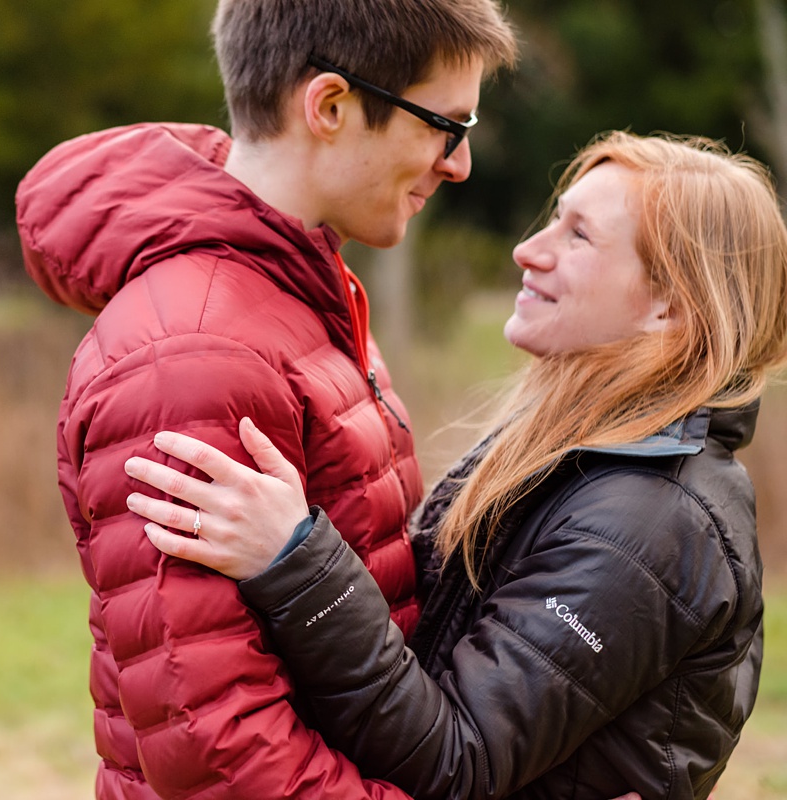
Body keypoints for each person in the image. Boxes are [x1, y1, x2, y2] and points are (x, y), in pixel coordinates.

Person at [124, 130, 787, 799]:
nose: (529, 250)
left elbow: (456, 760)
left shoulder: (650, 521)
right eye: (554, 219)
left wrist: (294, 562)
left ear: (670, 306)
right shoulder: (584, 457)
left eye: (579, 236)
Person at [15, 0, 518, 795]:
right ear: (330, 107)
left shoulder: (299, 292)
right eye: (445, 125)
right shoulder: (194, 356)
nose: (458, 163)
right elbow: (215, 747)